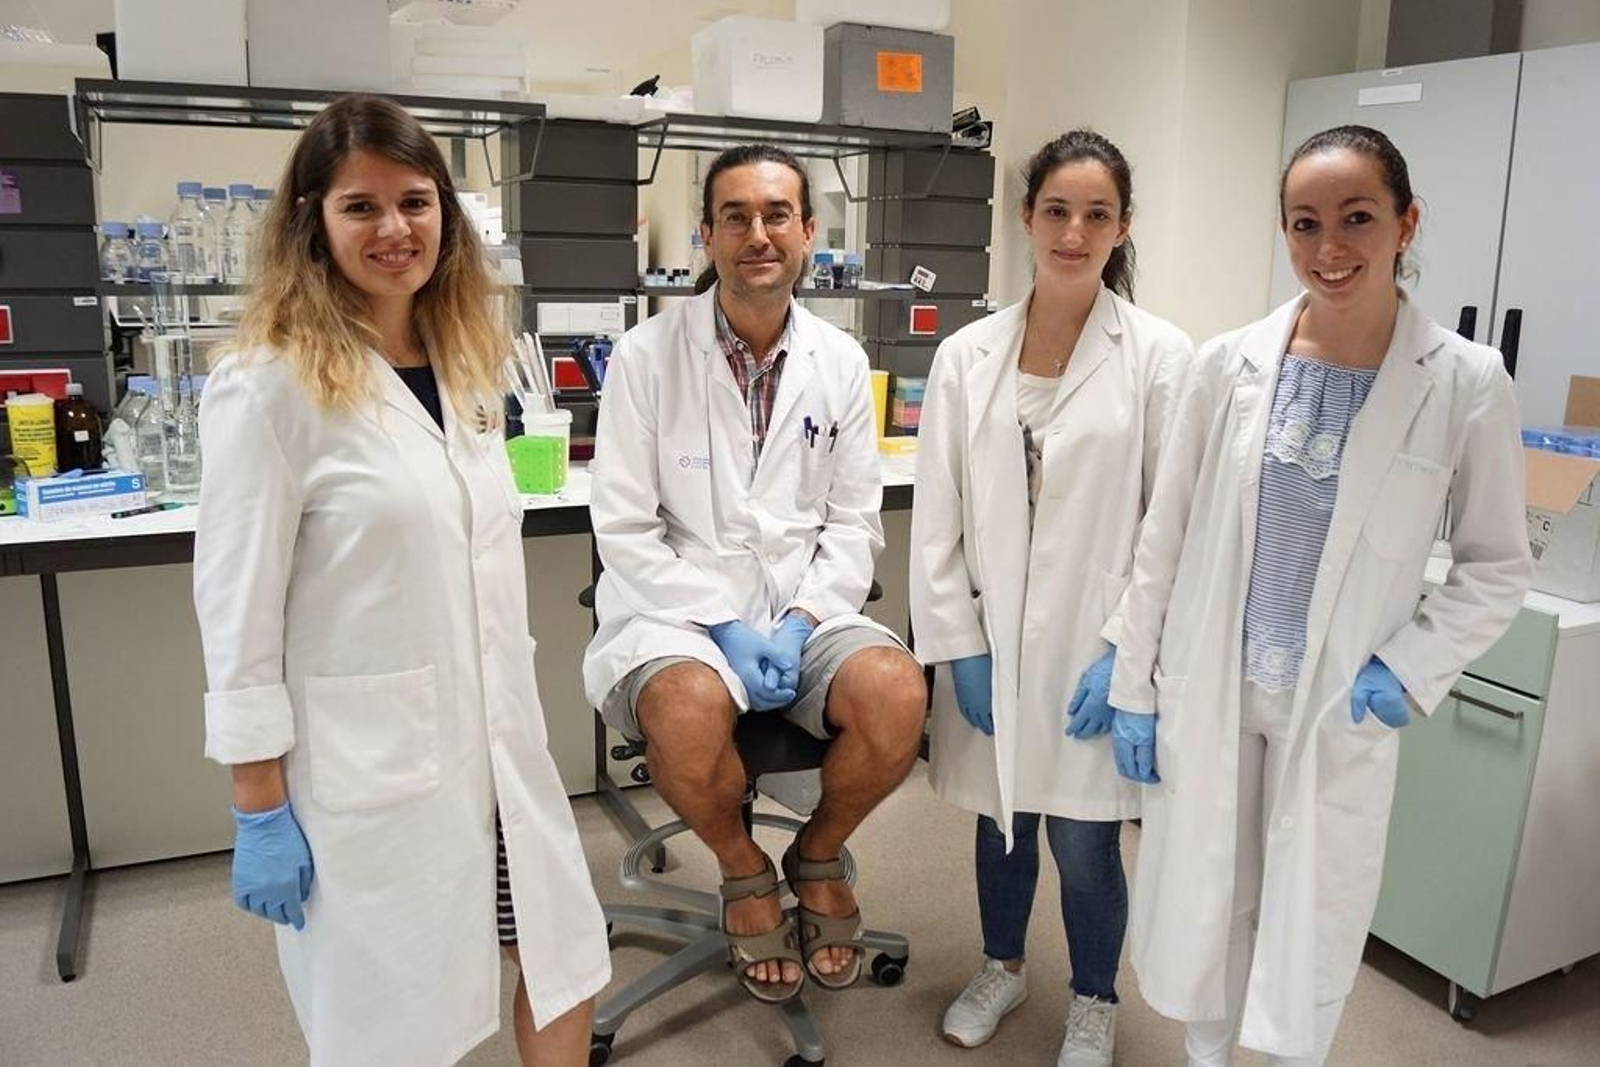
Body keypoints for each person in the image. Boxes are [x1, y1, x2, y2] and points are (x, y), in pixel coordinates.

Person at [193, 95, 609, 1065]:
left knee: (564, 957)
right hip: (373, 770)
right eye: (361, 206)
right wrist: (256, 803)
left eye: (416, 202)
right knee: (391, 1023)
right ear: (312, 221)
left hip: (499, 742)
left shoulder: (466, 363)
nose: (395, 228)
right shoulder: (267, 384)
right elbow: (235, 611)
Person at [1108, 125, 1534, 1066]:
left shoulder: (1465, 382)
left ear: (1406, 224)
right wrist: (1134, 684)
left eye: (1357, 218)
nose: (1329, 247)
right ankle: (1206, 1056)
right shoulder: (1229, 364)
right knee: (1210, 903)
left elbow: (1498, 562)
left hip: (1339, 699)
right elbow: (1164, 536)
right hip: (1214, 686)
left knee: (1309, 915)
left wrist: (1410, 667)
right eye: (1305, 223)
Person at [583, 144, 928, 1004]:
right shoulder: (645, 356)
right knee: (687, 704)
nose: (758, 234)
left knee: (898, 692)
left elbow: (853, 523)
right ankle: (744, 870)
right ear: (706, 236)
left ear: (809, 232)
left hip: (802, 608)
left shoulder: (840, 361)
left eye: (777, 215)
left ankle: (816, 854)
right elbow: (623, 527)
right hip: (678, 614)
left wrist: (803, 621)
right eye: (734, 216)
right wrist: (723, 624)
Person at [910, 129, 1192, 1066]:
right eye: (1058, 211)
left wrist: (1125, 650)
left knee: (1083, 837)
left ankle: (1094, 998)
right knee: (1001, 822)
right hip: (990, 633)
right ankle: (1001, 965)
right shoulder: (967, 354)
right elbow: (938, 513)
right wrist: (959, 643)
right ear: (1027, 216)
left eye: (1096, 214)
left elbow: (1171, 524)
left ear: (1122, 226)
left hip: (1092, 642)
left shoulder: (1160, 356)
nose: (1074, 233)